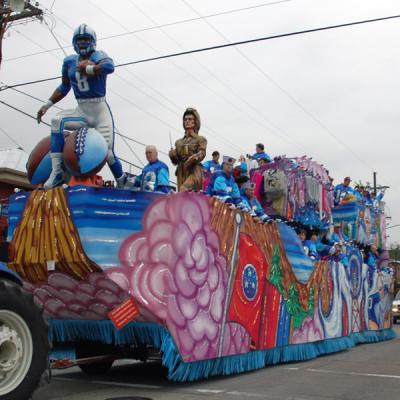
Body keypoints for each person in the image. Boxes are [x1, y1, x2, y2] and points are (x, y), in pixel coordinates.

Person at [37, 24, 125, 189]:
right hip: (81, 110)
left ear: (92, 41)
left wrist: (90, 68)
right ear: (74, 42)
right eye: (79, 39)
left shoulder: (98, 55)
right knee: (57, 121)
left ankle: (122, 182)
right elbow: (64, 87)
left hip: (99, 109)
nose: (83, 42)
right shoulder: (69, 61)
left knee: (108, 153)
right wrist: (47, 104)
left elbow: (109, 66)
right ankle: (58, 172)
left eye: (86, 39)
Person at [169, 108, 207, 191]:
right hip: (181, 171)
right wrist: (172, 155)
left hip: (194, 170)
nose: (187, 121)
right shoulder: (178, 142)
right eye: (185, 119)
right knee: (182, 197)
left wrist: (196, 156)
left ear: (195, 122)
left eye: (190, 119)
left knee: (184, 189)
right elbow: (175, 161)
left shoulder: (200, 139)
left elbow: (202, 152)